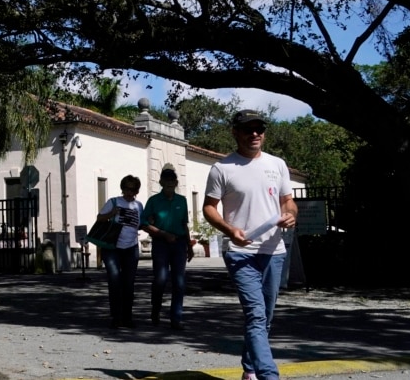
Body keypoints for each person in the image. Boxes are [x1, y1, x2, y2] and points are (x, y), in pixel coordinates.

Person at [203, 110, 298, 380]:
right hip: (240, 253)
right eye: (248, 129)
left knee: (264, 318)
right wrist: (230, 230)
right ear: (235, 132)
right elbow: (209, 208)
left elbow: (287, 201)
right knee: (256, 316)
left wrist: (291, 214)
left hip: (274, 251)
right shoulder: (222, 169)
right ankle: (269, 375)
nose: (254, 134)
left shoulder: (277, 164)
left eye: (259, 129)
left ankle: (249, 370)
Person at [142, 166, 191, 330]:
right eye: (167, 180)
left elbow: (184, 224)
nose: (170, 183)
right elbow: (144, 224)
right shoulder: (154, 201)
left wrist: (189, 245)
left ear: (176, 182)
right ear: (161, 182)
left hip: (179, 243)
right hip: (161, 243)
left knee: (179, 281)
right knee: (160, 279)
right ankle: (155, 310)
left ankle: (176, 318)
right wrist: (162, 234)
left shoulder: (182, 200)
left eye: (173, 180)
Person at [98, 175, 144, 328]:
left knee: (129, 283)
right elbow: (99, 218)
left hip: (131, 247)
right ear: (122, 188)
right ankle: (116, 316)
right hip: (112, 247)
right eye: (126, 189)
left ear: (137, 190)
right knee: (115, 280)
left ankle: (127, 317)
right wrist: (112, 214)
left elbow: (140, 224)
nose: (129, 192)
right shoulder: (114, 202)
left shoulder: (139, 205)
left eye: (132, 189)